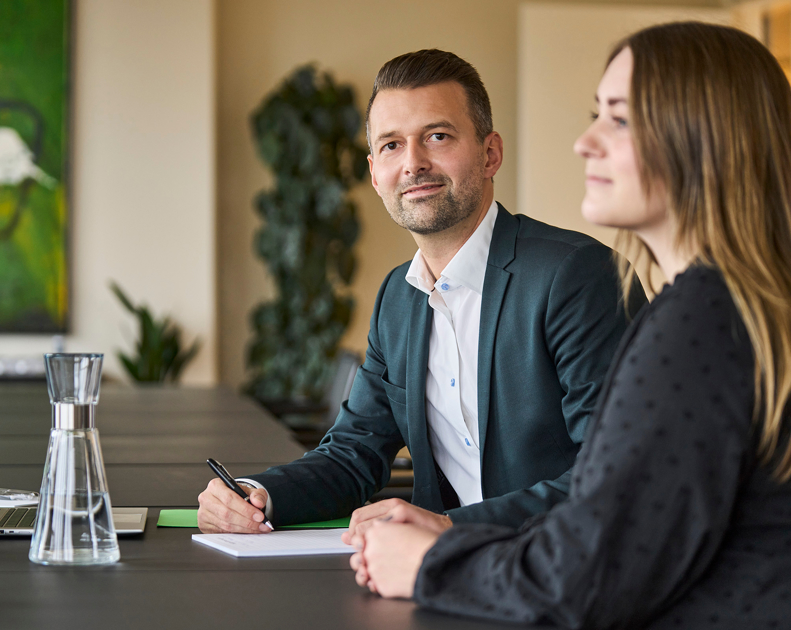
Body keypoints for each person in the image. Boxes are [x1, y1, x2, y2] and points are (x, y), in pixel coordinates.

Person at [352, 21, 791, 629]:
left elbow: (592, 574)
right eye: (596, 116)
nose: (585, 142)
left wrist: (432, 561)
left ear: (705, 140)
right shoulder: (730, 307)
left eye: (618, 119)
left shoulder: (700, 323)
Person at [199, 50, 646, 536]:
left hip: (560, 573)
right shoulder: (398, 295)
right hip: (443, 576)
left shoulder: (576, 274)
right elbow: (354, 453)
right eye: (392, 145)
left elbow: (614, 474)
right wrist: (256, 496)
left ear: (490, 153)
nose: (413, 163)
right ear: (374, 174)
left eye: (437, 136)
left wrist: (448, 526)